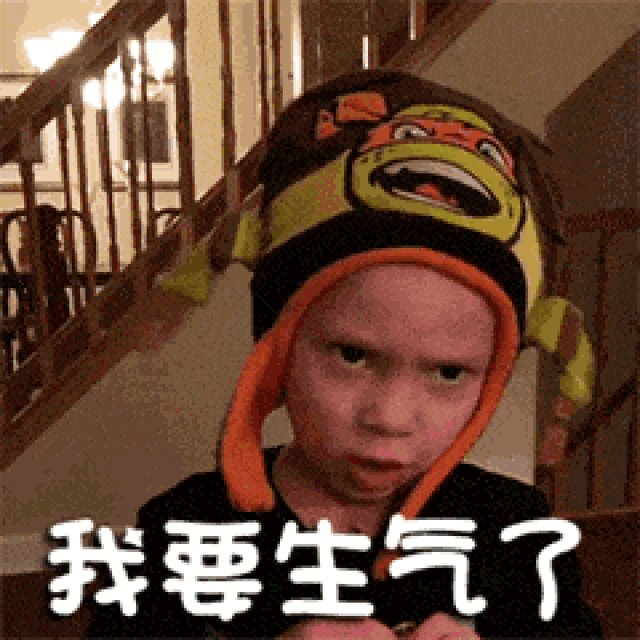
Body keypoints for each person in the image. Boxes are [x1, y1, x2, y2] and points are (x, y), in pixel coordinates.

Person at [86, 70, 602, 638]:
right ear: (279, 349)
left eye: (449, 372)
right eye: (352, 355)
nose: (390, 418)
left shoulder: (516, 534)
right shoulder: (180, 533)